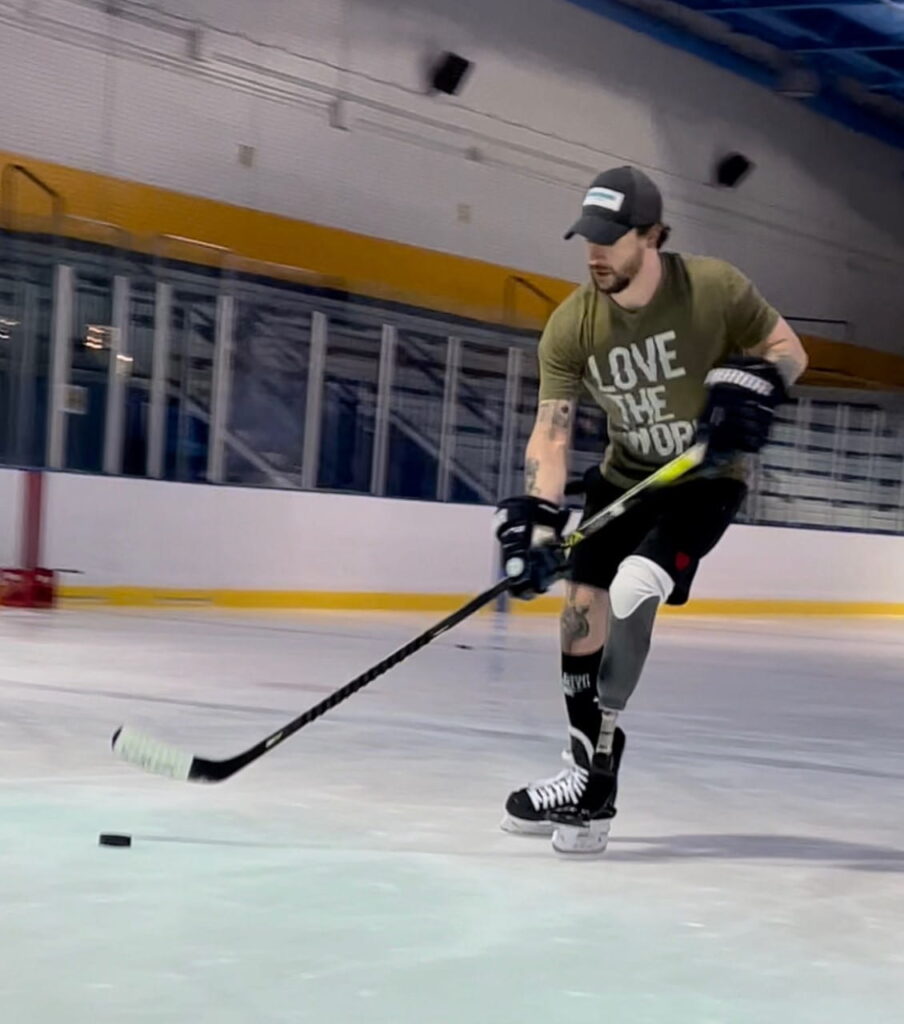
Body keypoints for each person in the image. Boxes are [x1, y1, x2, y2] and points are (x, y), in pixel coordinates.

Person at [494, 165, 808, 856]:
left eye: (611, 238)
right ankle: (588, 780)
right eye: (588, 238)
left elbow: (789, 349)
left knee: (636, 583)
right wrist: (539, 522)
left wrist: (758, 384)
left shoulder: (716, 289)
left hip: (704, 479)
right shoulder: (572, 324)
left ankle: (599, 767)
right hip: (624, 479)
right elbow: (551, 431)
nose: (595, 252)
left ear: (654, 235)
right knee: (579, 614)